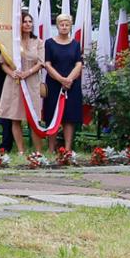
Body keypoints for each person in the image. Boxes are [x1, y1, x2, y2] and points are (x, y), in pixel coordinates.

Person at [0, 11, 46, 156]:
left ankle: (38, 152)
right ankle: (21, 150)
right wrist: (12, 73)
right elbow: (3, 63)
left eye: (30, 21)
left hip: (31, 82)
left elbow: (41, 63)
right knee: (15, 117)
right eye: (24, 21)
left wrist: (28, 72)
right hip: (14, 82)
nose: (27, 24)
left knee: (34, 118)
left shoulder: (38, 42)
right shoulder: (12, 42)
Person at [45, 13, 86, 154]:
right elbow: (47, 64)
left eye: (67, 24)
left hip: (71, 85)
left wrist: (69, 80)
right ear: (57, 26)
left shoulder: (75, 44)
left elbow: (79, 64)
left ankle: (67, 149)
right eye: (61, 24)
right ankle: (51, 149)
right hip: (54, 84)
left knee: (69, 117)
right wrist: (61, 79)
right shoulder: (49, 43)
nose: (64, 27)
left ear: (70, 26)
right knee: (52, 116)